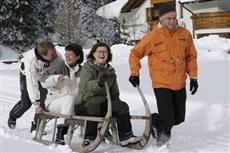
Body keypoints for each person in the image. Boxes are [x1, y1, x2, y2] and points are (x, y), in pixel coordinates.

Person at [128, 3, 198, 147]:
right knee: (168, 118)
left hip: (179, 83)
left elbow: (191, 56)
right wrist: (135, 73)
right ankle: (162, 143)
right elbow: (135, 53)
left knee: (178, 118)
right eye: (169, 19)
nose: (173, 21)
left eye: (174, 18)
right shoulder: (152, 37)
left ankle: (155, 120)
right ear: (161, 20)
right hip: (161, 84)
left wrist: (193, 77)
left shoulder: (184, 34)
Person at [75, 42, 140, 147]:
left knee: (122, 106)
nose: (102, 54)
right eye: (99, 51)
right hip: (85, 103)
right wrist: (99, 83)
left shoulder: (110, 72)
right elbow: (87, 85)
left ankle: (126, 136)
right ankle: (90, 137)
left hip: (104, 105)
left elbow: (114, 92)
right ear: (93, 54)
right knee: (94, 105)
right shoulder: (87, 68)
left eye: (105, 51)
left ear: (108, 55)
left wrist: (117, 106)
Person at [8, 41, 63, 133]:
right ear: (43, 55)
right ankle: (13, 115)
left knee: (45, 100)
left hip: (44, 75)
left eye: (54, 53)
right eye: (52, 55)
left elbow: (61, 68)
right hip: (27, 75)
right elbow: (32, 83)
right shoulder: (31, 61)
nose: (55, 56)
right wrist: (36, 102)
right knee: (27, 102)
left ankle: (36, 125)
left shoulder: (56, 56)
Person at [41, 43, 84, 145]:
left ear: (78, 56)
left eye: (70, 54)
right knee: (68, 98)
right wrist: (55, 79)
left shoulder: (83, 71)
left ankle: (94, 133)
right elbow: (43, 82)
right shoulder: (58, 66)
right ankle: (60, 134)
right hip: (54, 102)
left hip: (73, 106)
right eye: (66, 54)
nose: (67, 56)